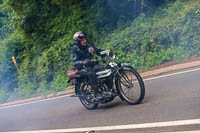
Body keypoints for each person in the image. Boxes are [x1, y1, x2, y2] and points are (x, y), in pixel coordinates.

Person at [71, 31, 104, 100]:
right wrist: (83, 62)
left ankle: (107, 89)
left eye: (85, 39)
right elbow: (75, 62)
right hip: (82, 68)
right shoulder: (75, 49)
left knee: (104, 69)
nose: (85, 41)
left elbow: (98, 51)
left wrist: (105, 53)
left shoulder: (89, 45)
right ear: (77, 42)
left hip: (92, 65)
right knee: (91, 73)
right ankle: (96, 93)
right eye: (82, 40)